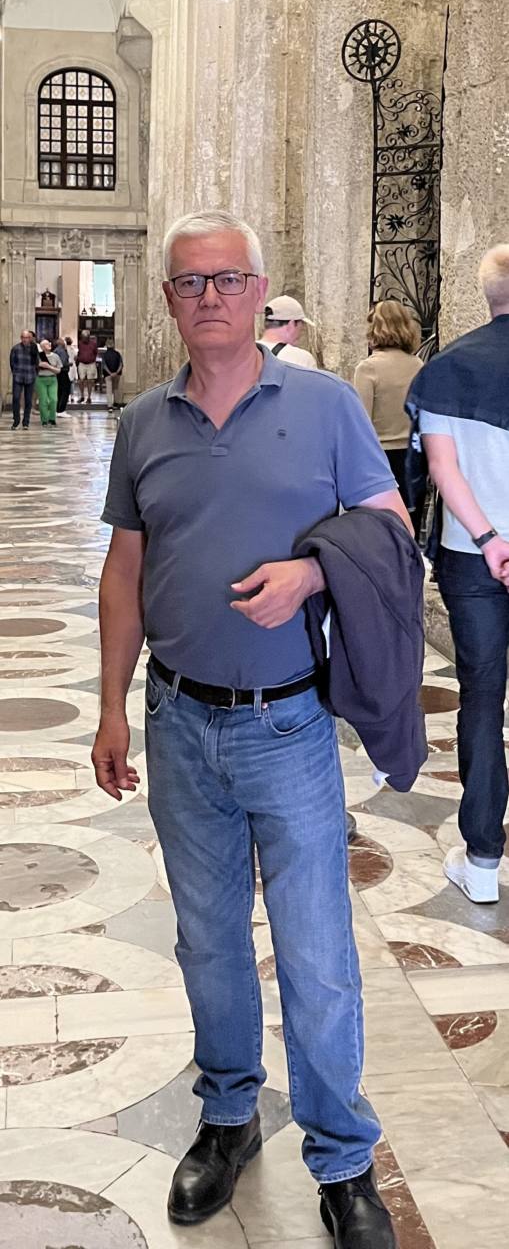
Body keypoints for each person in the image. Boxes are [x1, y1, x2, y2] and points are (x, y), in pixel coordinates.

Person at [92, 210, 410, 1248]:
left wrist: (312, 573)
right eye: (190, 282)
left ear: (259, 291)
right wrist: (110, 704)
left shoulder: (322, 406)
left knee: (315, 949)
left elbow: (390, 527)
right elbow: (126, 571)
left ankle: (342, 1159)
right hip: (178, 721)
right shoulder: (144, 422)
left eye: (228, 278)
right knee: (209, 940)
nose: (211, 297)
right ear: (169, 300)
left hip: (288, 724)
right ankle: (229, 1116)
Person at [409, 244, 509, 906]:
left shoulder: (447, 368)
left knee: (481, 698)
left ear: (485, 294)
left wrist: (489, 539)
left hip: (472, 556)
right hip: (483, 551)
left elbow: (441, 470)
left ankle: (481, 859)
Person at [354, 301, 424, 536]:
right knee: (410, 523)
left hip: (380, 456)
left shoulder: (368, 369)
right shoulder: (418, 365)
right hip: (412, 455)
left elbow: (361, 422)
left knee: (380, 528)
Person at [260, 294, 317, 368]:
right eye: (302, 324)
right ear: (291, 324)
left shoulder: (247, 352)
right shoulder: (302, 359)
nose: (302, 330)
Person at [9, 329, 39, 429]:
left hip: (30, 376)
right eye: (24, 337)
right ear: (21, 338)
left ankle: (26, 422)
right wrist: (15, 372)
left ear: (30, 338)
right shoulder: (15, 348)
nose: (25, 339)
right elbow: (12, 363)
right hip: (18, 376)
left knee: (28, 400)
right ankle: (16, 420)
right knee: (16, 398)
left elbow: (37, 362)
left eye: (27, 338)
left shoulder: (33, 348)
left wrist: (35, 373)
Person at [35, 339, 60, 427]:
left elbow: (58, 370)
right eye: (46, 344)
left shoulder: (56, 356)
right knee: (43, 400)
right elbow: (35, 367)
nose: (49, 344)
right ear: (42, 347)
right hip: (41, 379)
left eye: (49, 343)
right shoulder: (38, 356)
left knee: (53, 399)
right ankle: (44, 420)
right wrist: (39, 365)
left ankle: (52, 418)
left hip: (52, 379)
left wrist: (49, 367)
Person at [102, 336, 123, 410]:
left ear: (106, 345)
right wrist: (116, 372)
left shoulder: (104, 355)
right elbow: (121, 364)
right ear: (113, 345)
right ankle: (116, 403)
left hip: (108, 375)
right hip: (117, 374)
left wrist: (110, 373)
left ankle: (110, 406)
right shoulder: (118, 354)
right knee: (116, 388)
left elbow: (104, 365)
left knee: (109, 390)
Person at [77, 329, 98, 404]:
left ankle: (89, 397)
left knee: (90, 381)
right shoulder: (80, 343)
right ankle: (82, 396)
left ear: (88, 337)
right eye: (83, 337)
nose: (84, 339)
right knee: (81, 380)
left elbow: (95, 352)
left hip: (91, 363)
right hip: (82, 363)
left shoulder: (93, 344)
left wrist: (92, 358)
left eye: (85, 337)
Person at [54, 336, 71, 414]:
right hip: (63, 372)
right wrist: (69, 364)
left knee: (59, 391)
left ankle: (57, 408)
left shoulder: (55, 350)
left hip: (57, 373)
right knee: (65, 390)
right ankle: (61, 409)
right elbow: (63, 363)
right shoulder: (61, 351)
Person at [65, 335, 78, 403]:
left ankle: (67, 397)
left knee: (66, 382)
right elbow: (76, 357)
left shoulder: (64, 349)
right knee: (72, 382)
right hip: (72, 366)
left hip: (67, 365)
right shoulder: (73, 349)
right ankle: (72, 396)